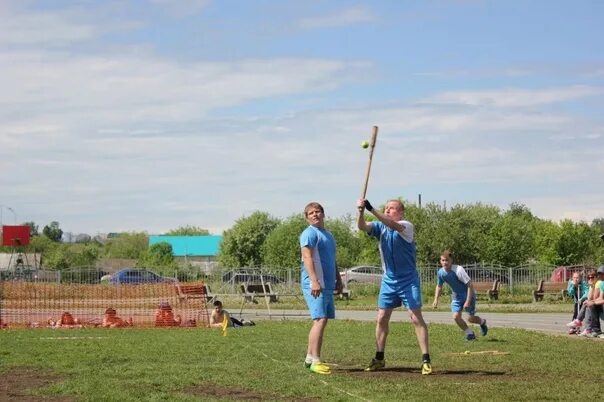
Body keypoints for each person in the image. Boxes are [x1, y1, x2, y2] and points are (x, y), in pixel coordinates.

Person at [357, 198, 432, 375]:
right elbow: (362, 227)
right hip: (389, 279)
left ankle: (426, 360)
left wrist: (371, 208)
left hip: (408, 279)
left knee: (415, 317)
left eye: (393, 208)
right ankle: (379, 358)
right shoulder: (379, 227)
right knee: (382, 317)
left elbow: (391, 224)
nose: (389, 210)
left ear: (401, 212)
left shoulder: (407, 226)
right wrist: (361, 212)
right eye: (387, 208)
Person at [300, 202, 342, 375]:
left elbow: (332, 259)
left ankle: (309, 359)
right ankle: (316, 360)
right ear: (306, 217)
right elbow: (307, 257)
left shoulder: (328, 235)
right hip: (315, 284)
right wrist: (314, 281)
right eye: (310, 213)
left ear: (323, 214)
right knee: (320, 319)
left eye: (317, 211)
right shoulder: (309, 233)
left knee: (321, 320)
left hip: (327, 283)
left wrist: (338, 279)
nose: (314, 215)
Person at [432, 250, 488, 340]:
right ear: (440, 261)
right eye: (442, 260)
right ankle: (470, 334)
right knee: (456, 316)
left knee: (470, 319)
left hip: (468, 294)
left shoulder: (458, 270)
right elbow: (439, 286)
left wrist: (468, 301)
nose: (444, 262)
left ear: (451, 260)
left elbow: (470, 285)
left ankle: (482, 322)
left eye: (447, 260)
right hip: (456, 296)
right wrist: (436, 299)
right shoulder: (441, 273)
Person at [579, 265, 604, 337]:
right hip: (601, 307)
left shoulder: (600, 284)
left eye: (602, 274)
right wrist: (591, 302)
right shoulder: (601, 284)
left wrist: (592, 301)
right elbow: (599, 298)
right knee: (589, 305)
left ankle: (589, 328)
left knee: (590, 304)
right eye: (599, 274)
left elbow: (599, 299)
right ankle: (591, 329)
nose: (600, 276)